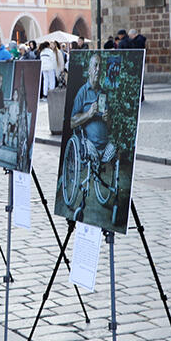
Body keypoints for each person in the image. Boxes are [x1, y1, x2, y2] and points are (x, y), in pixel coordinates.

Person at [69, 53, 116, 219]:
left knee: (115, 150)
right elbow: (72, 121)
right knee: (91, 153)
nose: (98, 69)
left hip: (105, 144)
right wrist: (88, 114)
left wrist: (107, 118)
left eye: (100, 66)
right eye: (95, 66)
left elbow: (110, 126)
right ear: (89, 70)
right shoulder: (82, 92)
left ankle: (111, 193)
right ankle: (83, 199)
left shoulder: (103, 93)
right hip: (88, 143)